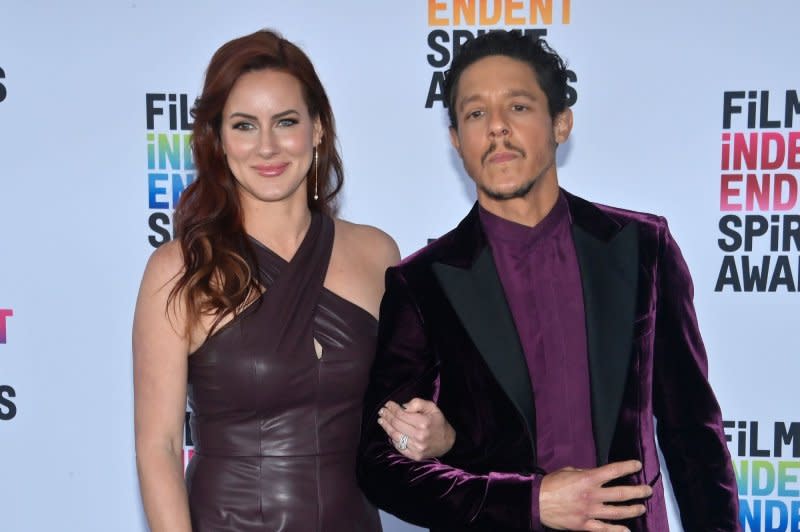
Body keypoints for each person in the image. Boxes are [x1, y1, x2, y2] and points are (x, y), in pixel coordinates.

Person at [357, 30, 739, 531]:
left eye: (517, 107)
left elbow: (694, 432)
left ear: (561, 122)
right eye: (475, 114)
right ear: (455, 139)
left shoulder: (642, 247)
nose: (496, 128)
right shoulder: (424, 282)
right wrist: (532, 503)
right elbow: (381, 465)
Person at [132, 29, 451, 531]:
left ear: (318, 129)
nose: (267, 147)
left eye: (285, 122)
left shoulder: (376, 253)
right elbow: (160, 447)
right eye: (244, 126)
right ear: (217, 139)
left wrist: (435, 434)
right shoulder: (180, 269)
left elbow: (407, 411)